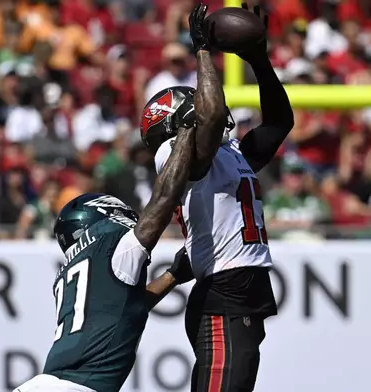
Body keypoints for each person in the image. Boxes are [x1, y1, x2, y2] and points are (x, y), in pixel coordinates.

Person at [141, 3, 294, 391]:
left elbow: (279, 122)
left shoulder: (231, 154)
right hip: (224, 298)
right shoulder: (176, 152)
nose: (204, 101)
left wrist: (259, 60)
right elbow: (209, 118)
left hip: (240, 295)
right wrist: (203, 51)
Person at [13, 122, 199, 392]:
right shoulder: (111, 243)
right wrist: (186, 132)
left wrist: (172, 276)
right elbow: (164, 199)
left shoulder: (76, 267)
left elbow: (126, 307)